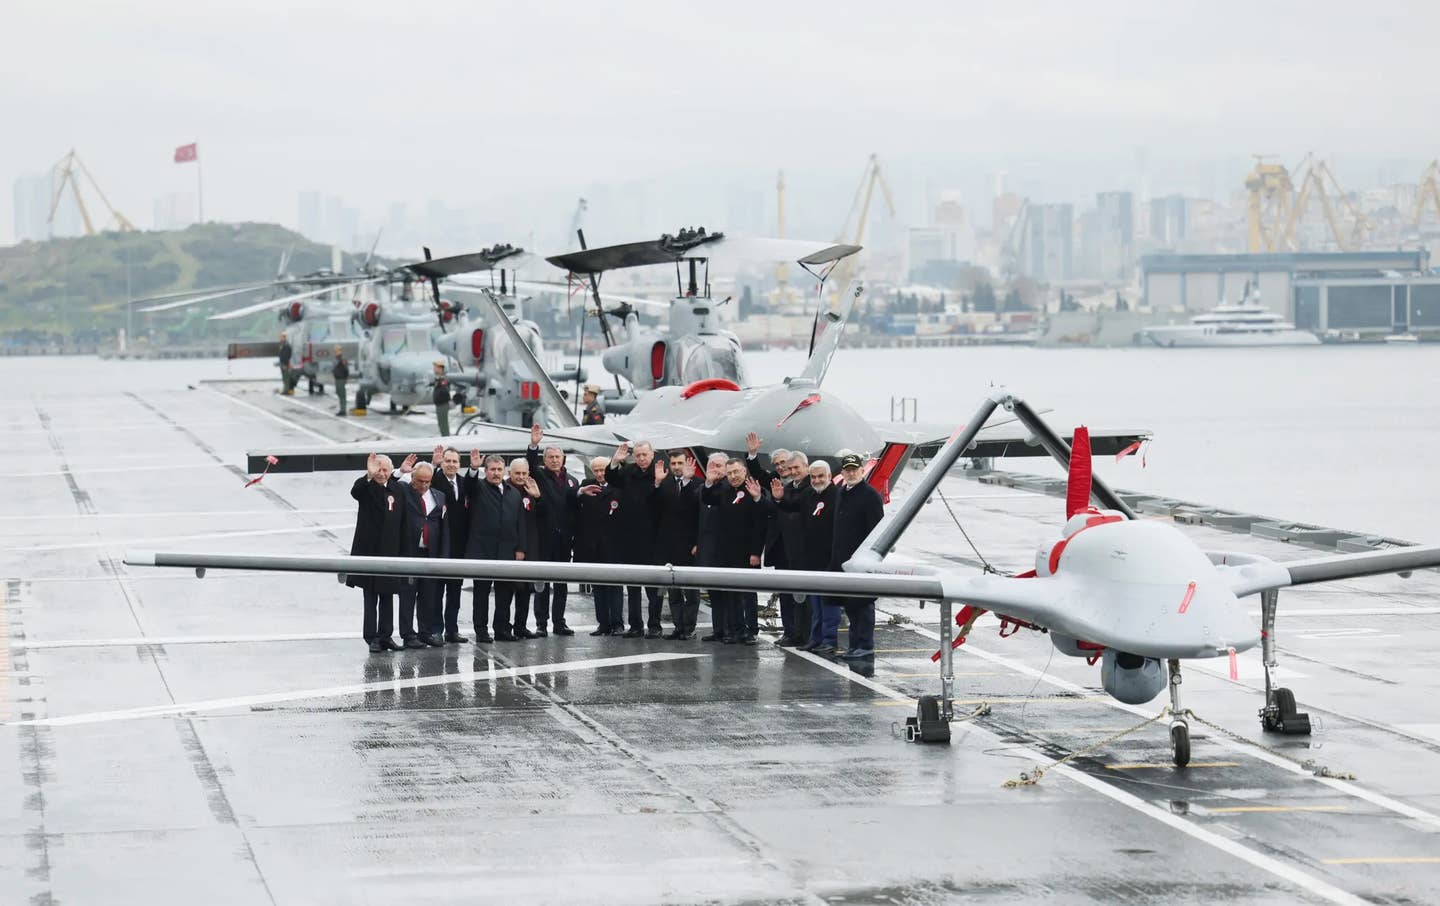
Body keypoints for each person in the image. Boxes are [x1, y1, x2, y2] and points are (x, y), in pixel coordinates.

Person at [773, 460, 838, 653]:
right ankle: (815, 638)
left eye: (820, 476)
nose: (817, 480)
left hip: (830, 558)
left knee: (829, 603)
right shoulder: (808, 494)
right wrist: (779, 499)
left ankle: (830, 640)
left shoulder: (837, 495)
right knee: (815, 604)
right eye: (814, 477)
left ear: (829, 476)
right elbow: (791, 506)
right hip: (811, 558)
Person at [347, 453, 410, 653]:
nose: (381, 474)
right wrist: (369, 475)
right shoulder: (367, 488)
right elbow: (356, 491)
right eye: (378, 470)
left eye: (385, 470)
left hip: (390, 552)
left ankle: (386, 635)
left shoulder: (397, 489)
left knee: (388, 595)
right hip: (369, 551)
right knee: (371, 596)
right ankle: (371, 636)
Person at [700, 458, 765, 644]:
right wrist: (709, 482)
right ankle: (735, 629)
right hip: (727, 552)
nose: (733, 476)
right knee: (731, 594)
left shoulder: (753, 488)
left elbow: (760, 522)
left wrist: (755, 552)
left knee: (747, 594)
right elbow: (707, 498)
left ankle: (750, 630)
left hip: (747, 552)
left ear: (744, 471)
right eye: (730, 473)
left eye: (737, 472)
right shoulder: (725, 490)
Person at [830, 452, 885, 659]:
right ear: (843, 472)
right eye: (847, 470)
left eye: (855, 469)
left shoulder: (870, 495)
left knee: (863, 605)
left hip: (861, 561)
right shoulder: (842, 492)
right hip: (843, 560)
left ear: (862, 471)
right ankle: (854, 645)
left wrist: (870, 559)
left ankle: (865, 645)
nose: (851, 473)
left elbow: (876, 531)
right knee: (851, 605)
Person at [605, 440, 663, 638]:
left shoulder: (660, 472)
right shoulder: (629, 471)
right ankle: (636, 625)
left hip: (652, 538)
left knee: (653, 588)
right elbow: (611, 478)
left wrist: (657, 483)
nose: (641, 459)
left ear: (652, 454)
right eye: (637, 455)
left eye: (644, 455)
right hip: (629, 537)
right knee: (633, 586)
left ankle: (655, 625)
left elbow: (663, 500)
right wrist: (615, 461)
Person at [525, 423, 579, 636]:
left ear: (563, 458)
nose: (555, 460)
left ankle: (559, 621)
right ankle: (541, 623)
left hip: (564, 540)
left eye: (558, 457)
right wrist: (533, 446)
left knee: (562, 584)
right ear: (545, 460)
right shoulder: (539, 475)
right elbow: (529, 465)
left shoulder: (573, 481)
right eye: (550, 457)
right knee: (542, 583)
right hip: (543, 538)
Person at [463, 451, 522, 642]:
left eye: (499, 469)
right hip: (483, 551)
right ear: (486, 471)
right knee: (481, 593)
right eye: (492, 470)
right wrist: (473, 469)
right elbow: (469, 486)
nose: (496, 473)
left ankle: (502, 629)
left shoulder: (514, 493)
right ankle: (481, 630)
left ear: (504, 470)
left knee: (505, 593)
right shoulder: (478, 488)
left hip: (507, 551)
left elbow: (520, 523)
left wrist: (521, 548)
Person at [396, 458, 448, 649]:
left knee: (429, 596)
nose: (424, 485)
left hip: (430, 553)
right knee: (408, 595)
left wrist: (444, 556)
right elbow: (389, 487)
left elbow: (444, 528)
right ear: (413, 479)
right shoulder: (403, 491)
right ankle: (408, 634)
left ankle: (425, 632)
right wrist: (400, 472)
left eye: (427, 481)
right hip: (410, 552)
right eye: (420, 481)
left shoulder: (439, 496)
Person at [653, 449, 701, 639]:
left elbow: (698, 515)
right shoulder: (664, 484)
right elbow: (654, 508)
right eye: (673, 464)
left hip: (690, 546)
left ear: (687, 464)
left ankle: (689, 628)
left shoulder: (697, 484)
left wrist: (698, 542)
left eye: (680, 463)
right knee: (673, 592)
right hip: (669, 546)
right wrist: (656, 483)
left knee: (691, 591)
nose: (676, 467)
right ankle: (678, 626)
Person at [575, 456, 622, 634]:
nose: (600, 474)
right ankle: (603, 623)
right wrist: (580, 492)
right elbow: (574, 501)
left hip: (613, 544)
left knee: (615, 586)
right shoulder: (587, 485)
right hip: (593, 545)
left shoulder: (618, 486)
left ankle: (617, 623)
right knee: (598, 587)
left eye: (603, 469)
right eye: (596, 470)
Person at [429, 445, 471, 643]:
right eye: (448, 461)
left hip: (459, 547)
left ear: (459, 464)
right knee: (437, 591)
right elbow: (427, 481)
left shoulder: (464, 483)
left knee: (455, 591)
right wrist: (434, 466)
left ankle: (452, 630)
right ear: (442, 463)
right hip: (439, 545)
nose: (451, 465)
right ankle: (436, 629)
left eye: (455, 461)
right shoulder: (436, 480)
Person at [499, 458, 544, 639]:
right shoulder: (504, 489)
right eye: (517, 473)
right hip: (510, 548)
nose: (521, 477)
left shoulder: (530, 491)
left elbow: (545, 517)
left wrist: (538, 498)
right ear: (510, 473)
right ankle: (502, 627)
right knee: (506, 591)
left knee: (525, 591)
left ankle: (521, 626)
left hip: (530, 548)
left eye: (524, 473)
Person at [694, 452, 729, 640]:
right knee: (714, 591)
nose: (714, 469)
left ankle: (731, 629)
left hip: (725, 548)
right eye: (711, 465)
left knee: (729, 593)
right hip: (707, 547)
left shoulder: (729, 487)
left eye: (718, 465)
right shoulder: (703, 488)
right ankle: (718, 630)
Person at [433, 362, 453, 436]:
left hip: (443, 404)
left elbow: (445, 390)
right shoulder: (438, 378)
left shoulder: (444, 378)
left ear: (440, 368)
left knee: (443, 424)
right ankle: (444, 437)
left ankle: (446, 439)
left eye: (435, 367)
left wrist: (439, 383)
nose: (434, 369)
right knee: (441, 424)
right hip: (439, 404)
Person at [331, 346, 350, 416]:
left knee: (342, 395)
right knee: (339, 393)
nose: (336, 352)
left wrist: (345, 379)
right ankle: (342, 409)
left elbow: (346, 370)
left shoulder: (342, 360)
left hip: (341, 379)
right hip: (337, 379)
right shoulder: (336, 359)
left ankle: (343, 410)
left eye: (336, 350)